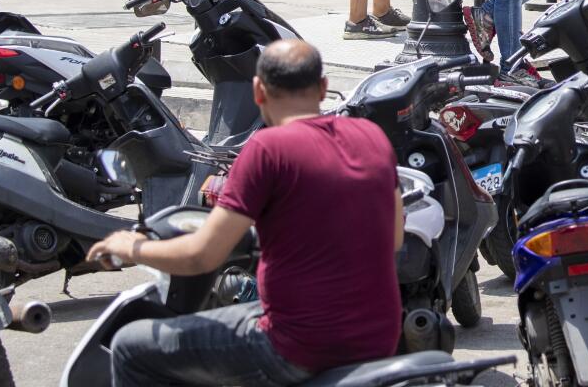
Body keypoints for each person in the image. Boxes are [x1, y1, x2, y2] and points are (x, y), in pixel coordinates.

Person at [90, 39, 402, 387]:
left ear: (257, 91)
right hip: (378, 337)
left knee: (131, 346)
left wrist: (129, 247)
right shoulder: (371, 136)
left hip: (296, 346)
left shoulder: (267, 149)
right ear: (323, 88)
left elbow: (201, 256)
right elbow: (393, 236)